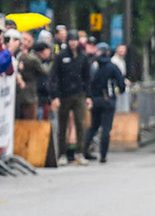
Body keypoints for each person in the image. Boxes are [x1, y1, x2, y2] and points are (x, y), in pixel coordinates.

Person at [49, 30, 91, 165]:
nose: (73, 43)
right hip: (64, 94)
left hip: (79, 94)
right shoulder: (60, 56)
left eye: (75, 40)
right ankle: (62, 154)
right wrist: (55, 95)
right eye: (71, 40)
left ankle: (80, 153)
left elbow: (87, 78)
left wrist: (88, 95)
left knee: (80, 124)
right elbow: (54, 77)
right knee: (63, 126)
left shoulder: (83, 57)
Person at [84, 43, 126, 163]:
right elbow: (121, 84)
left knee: (93, 126)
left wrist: (90, 96)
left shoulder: (93, 65)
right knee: (106, 129)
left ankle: (84, 150)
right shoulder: (112, 66)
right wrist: (118, 91)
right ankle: (103, 155)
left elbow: (87, 82)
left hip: (95, 100)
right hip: (108, 100)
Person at [17, 39, 50, 120]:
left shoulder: (22, 56)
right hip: (30, 94)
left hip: (21, 93)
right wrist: (54, 63)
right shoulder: (33, 59)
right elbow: (45, 72)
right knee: (30, 119)